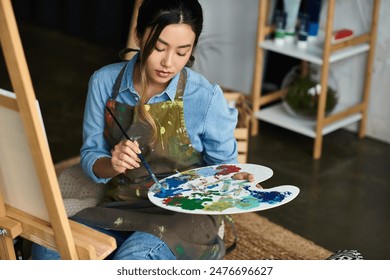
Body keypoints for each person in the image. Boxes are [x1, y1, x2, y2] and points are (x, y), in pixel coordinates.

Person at [32, 0, 253, 260]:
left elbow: (225, 169)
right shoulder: (104, 83)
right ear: (138, 36)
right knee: (48, 247)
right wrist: (112, 164)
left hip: (183, 215)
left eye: (182, 52)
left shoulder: (205, 97)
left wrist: (236, 179)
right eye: (158, 47)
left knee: (133, 261)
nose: (168, 63)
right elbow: (92, 155)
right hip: (121, 206)